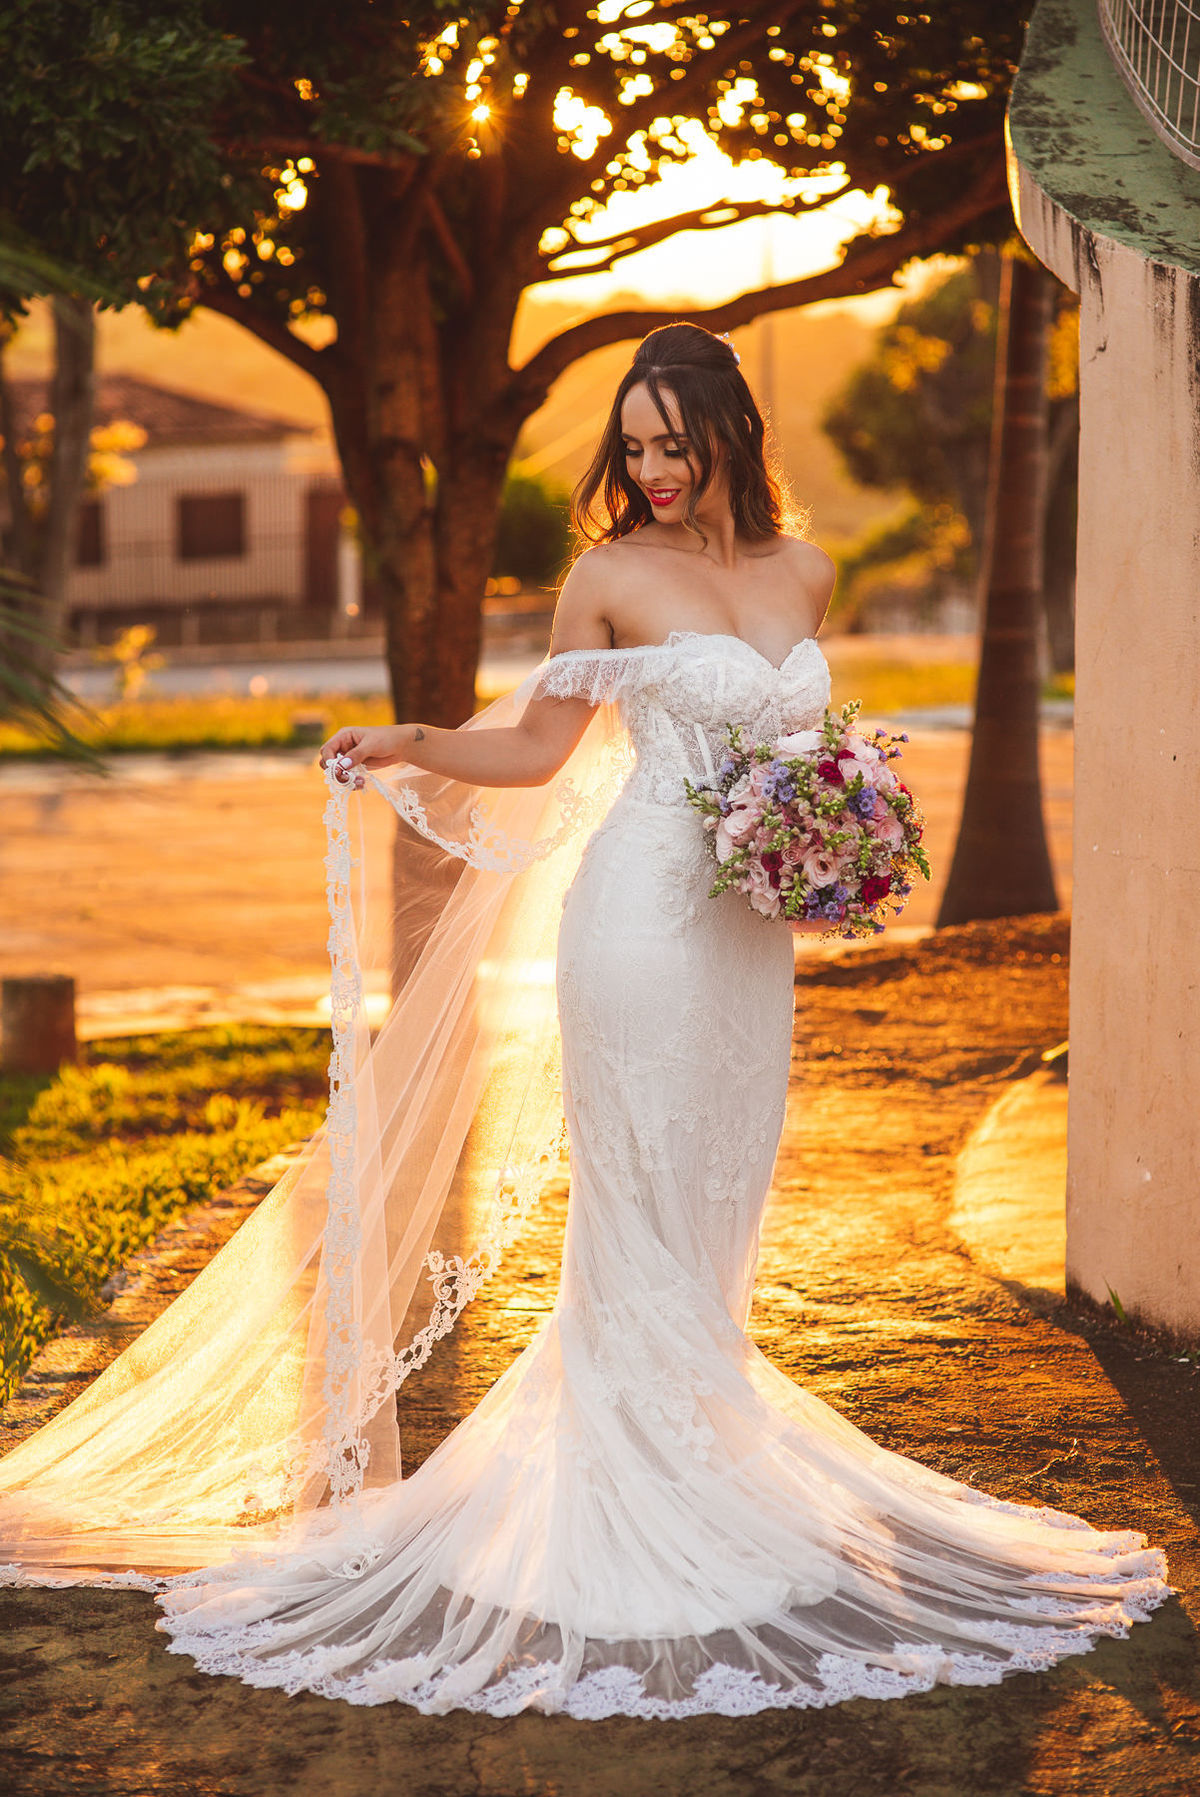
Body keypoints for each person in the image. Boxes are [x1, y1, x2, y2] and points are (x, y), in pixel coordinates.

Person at [0, 325, 1169, 1720]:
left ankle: (708, 1469)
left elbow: (802, 748)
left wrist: (835, 829)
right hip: (637, 925)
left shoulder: (809, 570)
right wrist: (415, 742)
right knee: (638, 1207)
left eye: (677, 443)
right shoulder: (605, 577)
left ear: (733, 433)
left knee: (722, 1198)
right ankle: (638, 1508)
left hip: (748, 943)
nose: (656, 470)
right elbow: (540, 749)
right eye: (635, 448)